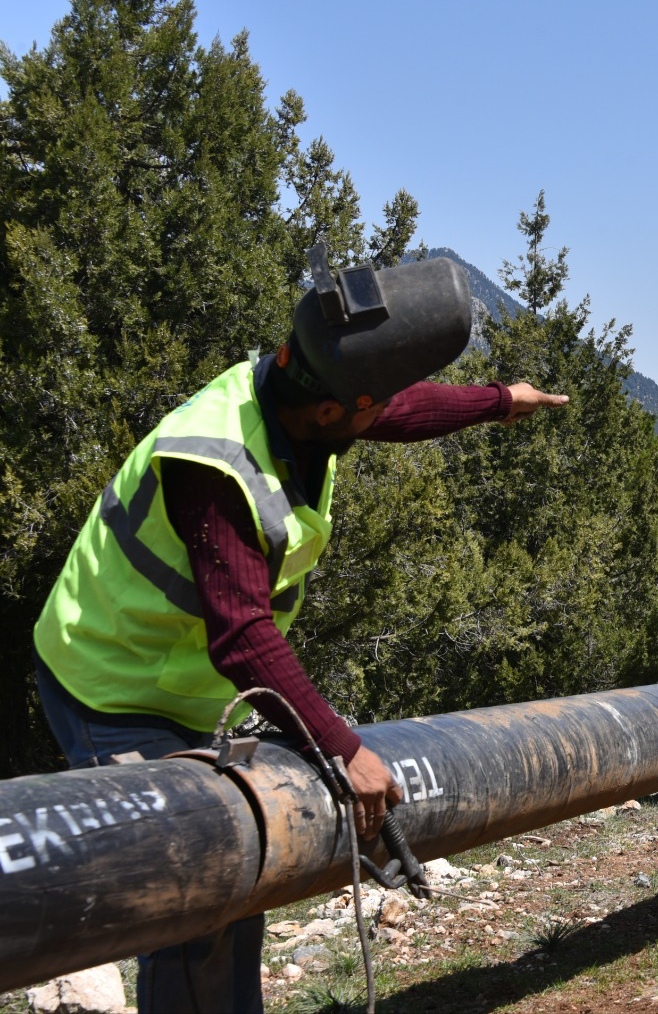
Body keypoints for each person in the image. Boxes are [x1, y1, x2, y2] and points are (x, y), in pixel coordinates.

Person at [32, 249, 568, 1013]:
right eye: (370, 406)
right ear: (333, 410)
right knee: (195, 893)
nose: (382, 413)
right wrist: (345, 751)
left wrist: (497, 400)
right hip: (108, 682)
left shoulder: (303, 392)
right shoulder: (216, 463)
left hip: (179, 683)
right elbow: (243, 635)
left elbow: (400, 409)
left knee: (234, 895)